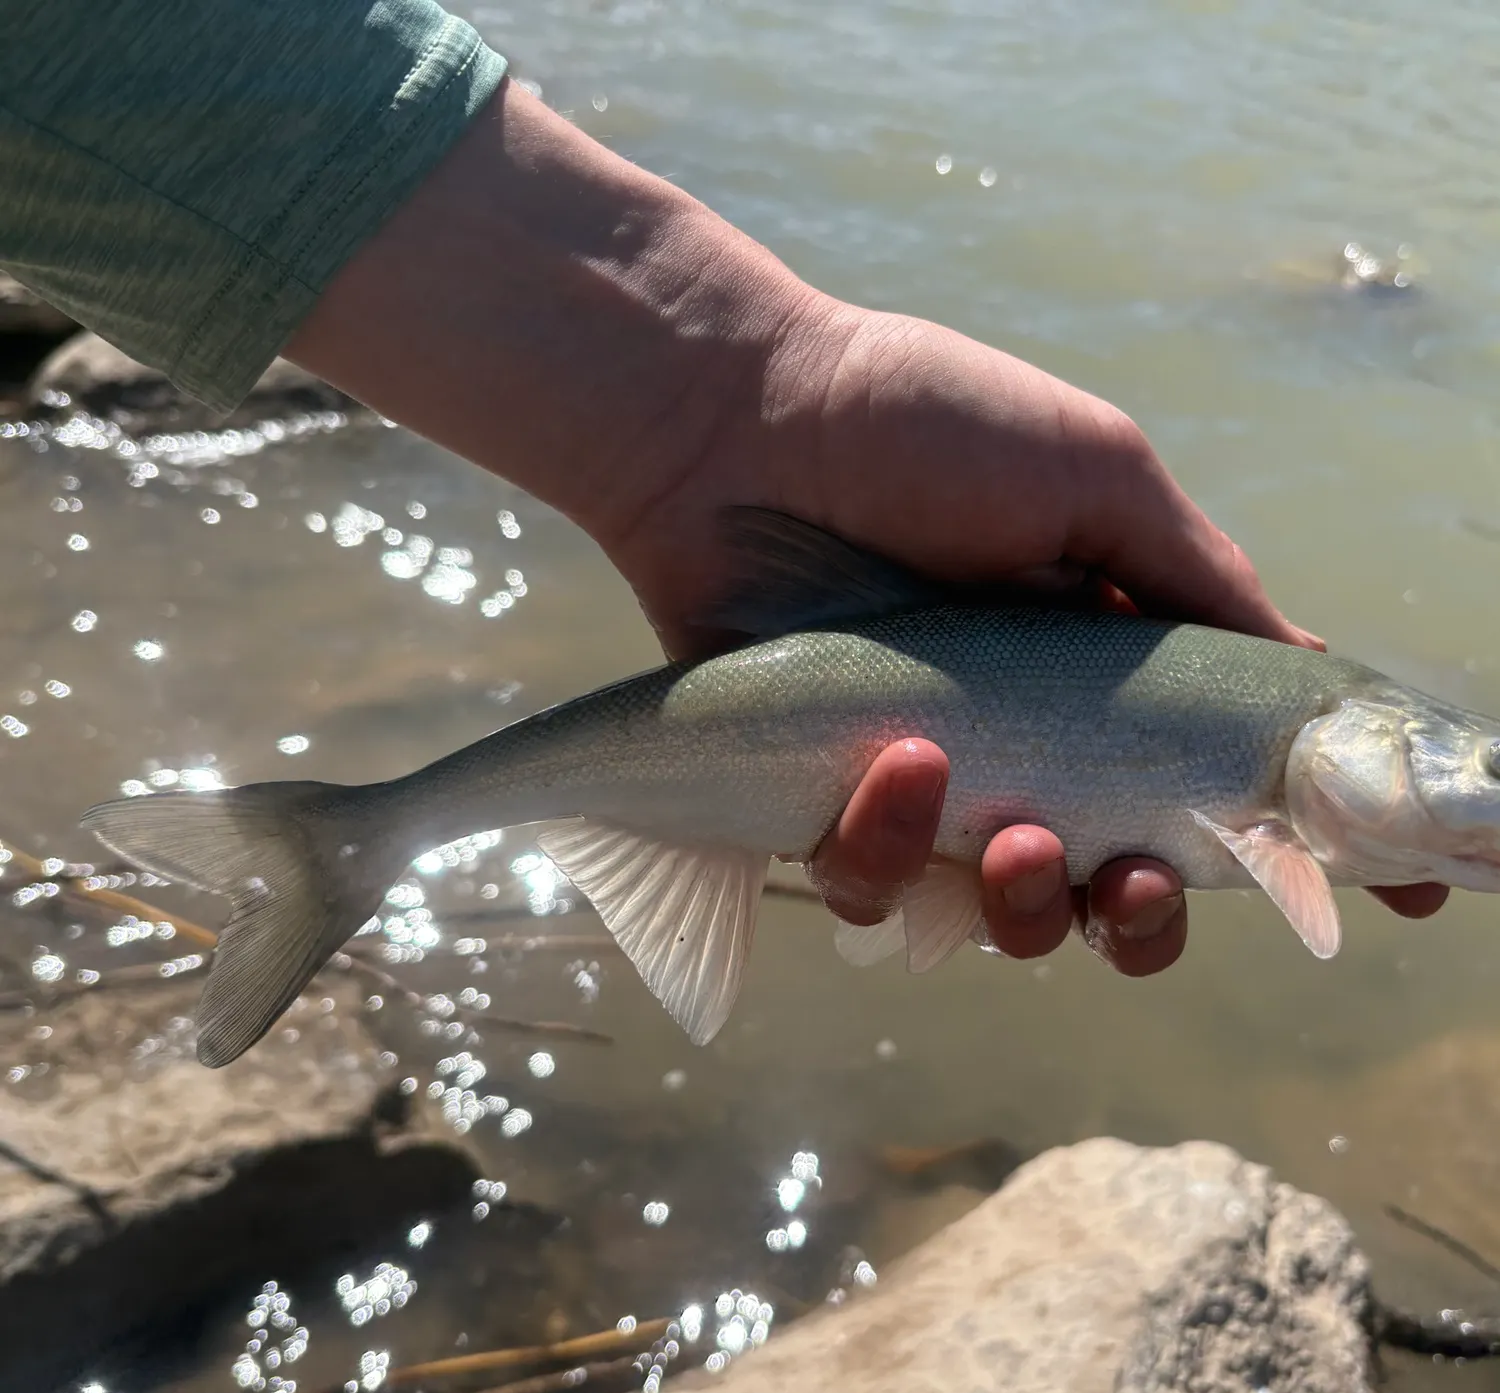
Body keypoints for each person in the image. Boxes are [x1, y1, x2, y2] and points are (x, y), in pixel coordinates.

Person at [0, 0, 1444, 979]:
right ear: (1354, 730)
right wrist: (737, 402)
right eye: (1477, 766)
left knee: (944, 874)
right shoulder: (1290, 718)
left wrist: (736, 402)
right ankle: (344, 837)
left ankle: (350, 835)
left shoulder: (1291, 746)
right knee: (953, 870)